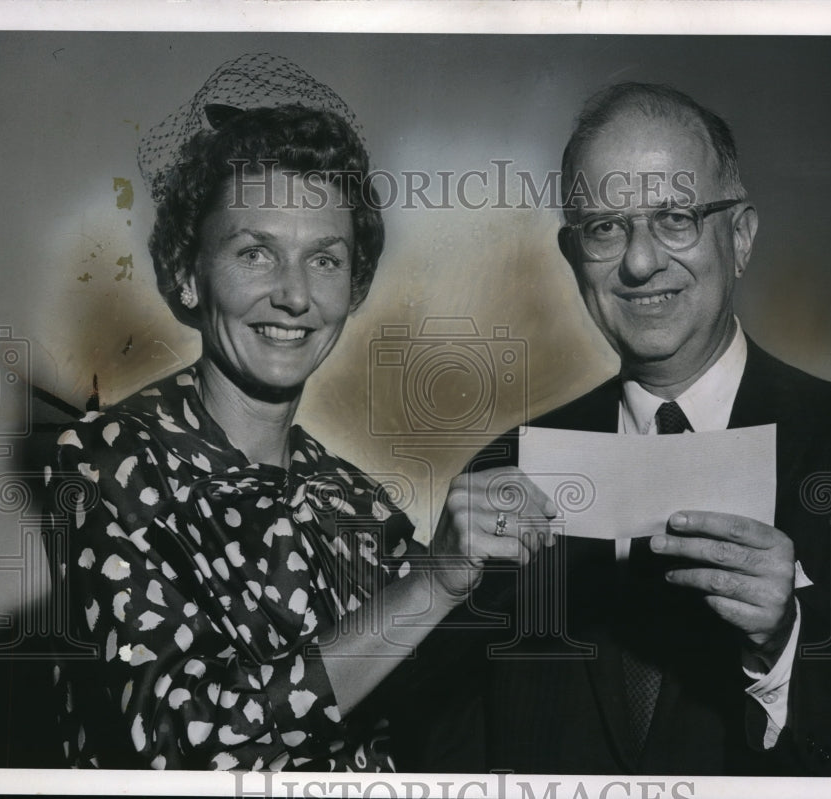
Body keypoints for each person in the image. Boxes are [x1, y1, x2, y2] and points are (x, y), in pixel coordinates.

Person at [42, 53, 555, 772]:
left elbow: (449, 727)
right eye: (256, 252)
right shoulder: (108, 460)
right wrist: (433, 580)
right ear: (189, 272)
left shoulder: (361, 507)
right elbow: (180, 741)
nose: (293, 295)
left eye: (324, 259)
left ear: (354, 284)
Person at [407, 82, 831, 777]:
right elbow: (440, 750)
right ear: (573, 257)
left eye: (675, 217)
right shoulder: (506, 473)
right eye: (605, 226)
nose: (640, 261)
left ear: (740, 237)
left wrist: (785, 643)